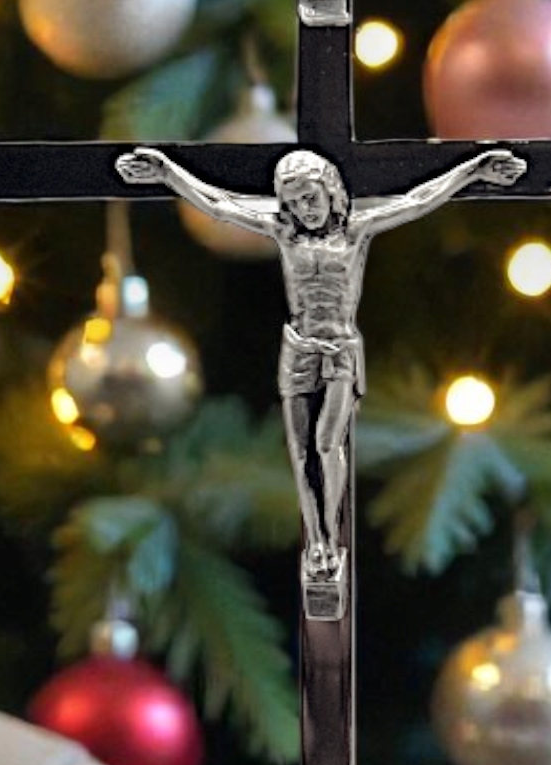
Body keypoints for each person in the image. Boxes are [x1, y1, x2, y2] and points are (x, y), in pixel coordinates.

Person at [114, 143, 528, 616]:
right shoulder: (284, 231)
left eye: (309, 197)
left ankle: (328, 538)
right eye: (293, 202)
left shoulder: (355, 228)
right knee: (300, 451)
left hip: (339, 352)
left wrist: (473, 170)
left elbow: (417, 199)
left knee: (329, 442)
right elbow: (220, 203)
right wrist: (167, 173)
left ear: (330, 189)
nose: (303, 209)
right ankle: (318, 543)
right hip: (299, 349)